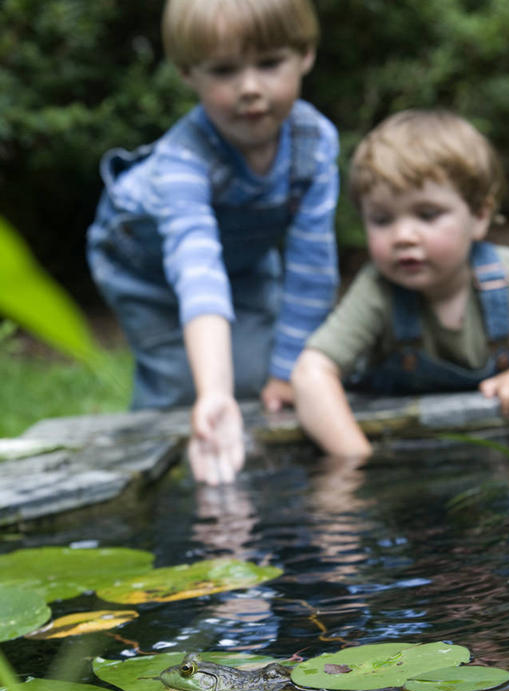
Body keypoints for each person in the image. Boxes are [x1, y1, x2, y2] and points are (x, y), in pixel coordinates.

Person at [87, 0, 339, 485]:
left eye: (269, 64)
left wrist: (286, 371)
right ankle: (159, 471)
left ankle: (263, 479)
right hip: (145, 266)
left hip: (244, 256)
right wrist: (214, 392)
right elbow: (197, 269)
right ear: (187, 73)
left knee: (266, 371)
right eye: (224, 70)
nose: (250, 88)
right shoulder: (185, 159)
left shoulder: (316, 144)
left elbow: (312, 267)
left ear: (305, 54)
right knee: (184, 383)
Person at [292, 109, 509, 460]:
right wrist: (357, 465)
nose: (403, 236)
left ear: (479, 216)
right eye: (382, 219)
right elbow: (311, 372)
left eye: (427, 215)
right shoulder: (378, 291)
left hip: (504, 448)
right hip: (411, 457)